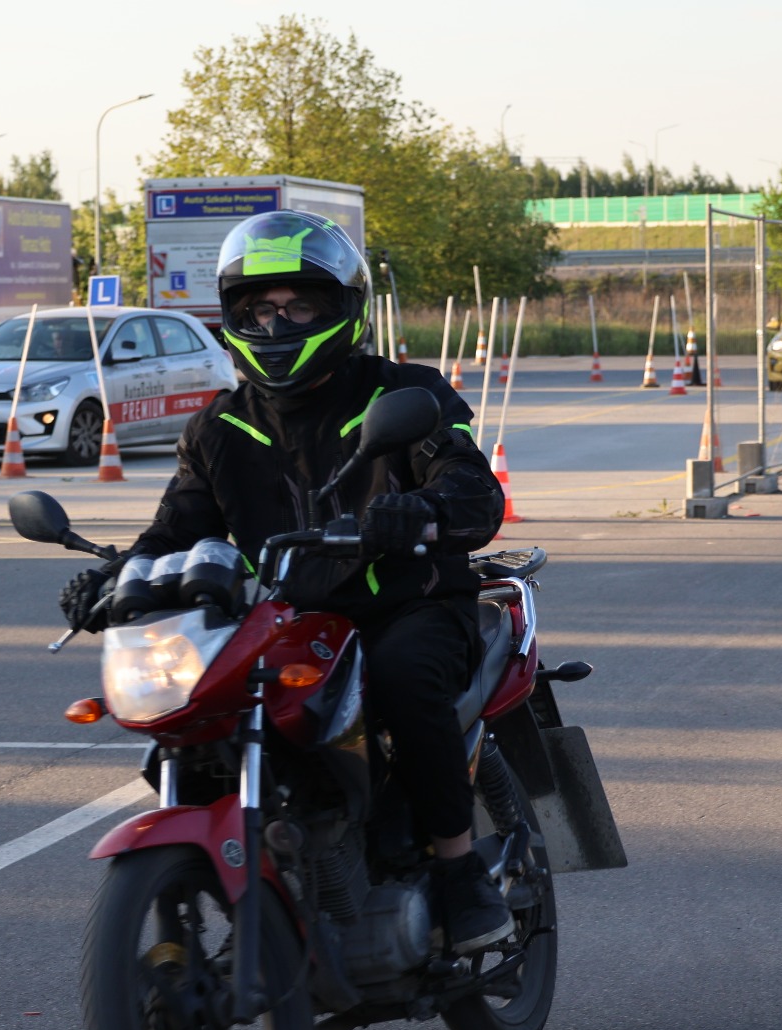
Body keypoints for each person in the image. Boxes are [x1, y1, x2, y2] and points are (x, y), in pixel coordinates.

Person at [58, 210, 512, 953]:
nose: (278, 322)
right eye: (260, 308)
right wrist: (113, 578)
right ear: (234, 317)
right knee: (203, 708)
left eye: (300, 305)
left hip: (405, 606)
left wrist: (422, 510)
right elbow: (177, 529)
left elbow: (472, 489)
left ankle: (459, 869)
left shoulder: (404, 394)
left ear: (342, 309)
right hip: (286, 622)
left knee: (403, 676)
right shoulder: (219, 427)